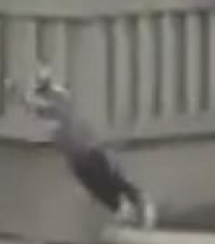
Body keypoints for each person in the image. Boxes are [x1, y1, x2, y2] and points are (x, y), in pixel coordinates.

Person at [8, 66, 157, 228]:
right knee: (98, 188)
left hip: (89, 150)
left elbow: (39, 103)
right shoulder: (47, 107)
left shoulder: (57, 100)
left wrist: (18, 93)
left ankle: (138, 200)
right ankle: (125, 211)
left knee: (110, 180)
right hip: (76, 158)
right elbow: (35, 105)